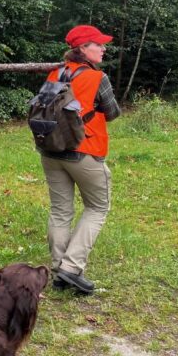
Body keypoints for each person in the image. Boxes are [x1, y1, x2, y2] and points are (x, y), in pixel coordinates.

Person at [40, 25, 121, 295]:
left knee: (60, 211)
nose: (103, 48)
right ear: (83, 49)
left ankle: (59, 269)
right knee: (97, 207)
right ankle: (71, 268)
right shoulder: (98, 78)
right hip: (84, 151)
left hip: (51, 152)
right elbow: (112, 113)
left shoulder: (55, 73)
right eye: (98, 44)